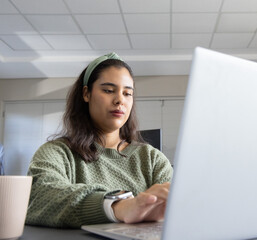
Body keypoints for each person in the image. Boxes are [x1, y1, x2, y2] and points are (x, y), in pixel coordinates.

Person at [26, 53, 173, 228]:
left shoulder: (152, 159)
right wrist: (118, 207)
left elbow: (176, 207)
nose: (120, 100)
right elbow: (39, 195)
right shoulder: (57, 152)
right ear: (86, 93)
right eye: (109, 91)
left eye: (127, 93)